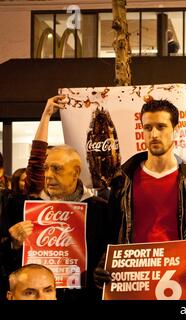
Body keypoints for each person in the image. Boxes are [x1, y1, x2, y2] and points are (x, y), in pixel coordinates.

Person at [94, 98, 186, 299]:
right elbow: (110, 231)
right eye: (148, 127)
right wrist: (103, 264)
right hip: (134, 282)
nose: (154, 134)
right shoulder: (123, 178)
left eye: (161, 127)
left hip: (181, 281)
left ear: (175, 130)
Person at [4, 95, 112, 300]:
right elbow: (6, 265)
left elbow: (105, 263)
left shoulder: (99, 210)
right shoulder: (23, 205)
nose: (48, 175)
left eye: (56, 169)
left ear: (75, 172)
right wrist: (13, 244)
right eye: (46, 169)